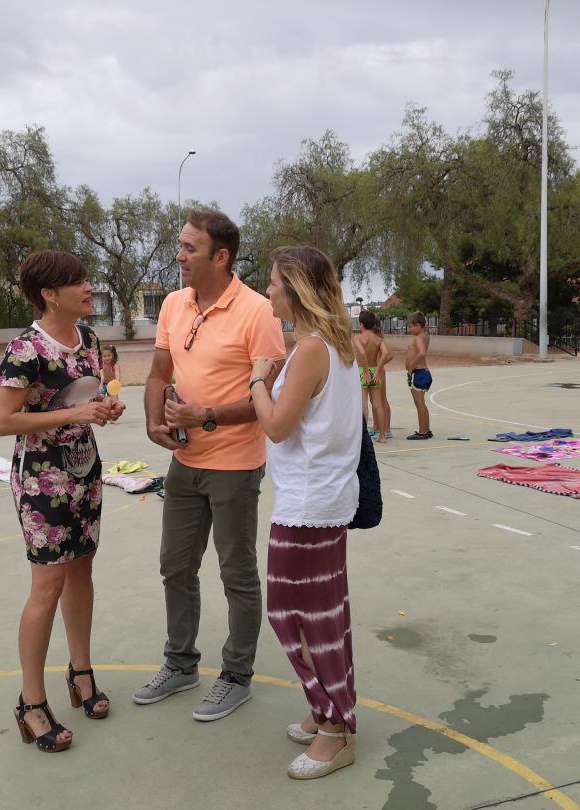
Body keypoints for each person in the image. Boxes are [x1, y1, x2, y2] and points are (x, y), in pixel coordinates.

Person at [137, 210, 286, 721]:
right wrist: (156, 421)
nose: (179, 256)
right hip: (185, 462)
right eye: (180, 245)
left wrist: (208, 416)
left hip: (236, 465)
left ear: (220, 258)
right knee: (175, 566)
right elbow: (159, 372)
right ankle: (180, 665)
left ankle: (237, 675)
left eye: (189, 248)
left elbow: (272, 396)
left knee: (236, 573)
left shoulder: (258, 311)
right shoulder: (174, 305)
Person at [0, 250, 124, 753]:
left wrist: (104, 409)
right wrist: (75, 415)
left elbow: (84, 399)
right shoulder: (25, 349)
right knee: (46, 584)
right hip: (42, 479)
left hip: (85, 470)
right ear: (49, 293)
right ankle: (30, 702)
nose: (88, 288)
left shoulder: (88, 339)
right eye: (78, 282)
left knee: (82, 573)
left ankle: (82, 672)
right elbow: (5, 421)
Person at [249, 245, 360, 779]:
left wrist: (257, 379)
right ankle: (326, 713)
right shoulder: (337, 345)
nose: (267, 290)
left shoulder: (312, 349)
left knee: (300, 618)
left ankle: (336, 730)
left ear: (294, 289)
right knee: (320, 615)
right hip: (324, 499)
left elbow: (275, 425)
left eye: (272, 282)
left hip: (307, 504)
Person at [352, 311, 392, 442]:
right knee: (377, 404)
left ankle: (363, 435)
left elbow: (362, 352)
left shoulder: (357, 338)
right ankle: (382, 435)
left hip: (362, 372)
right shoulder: (378, 339)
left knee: (363, 404)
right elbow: (386, 354)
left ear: (361, 324)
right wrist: (376, 371)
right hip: (375, 372)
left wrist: (364, 371)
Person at [405, 312, 433, 439]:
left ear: (417, 325)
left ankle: (423, 432)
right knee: (420, 403)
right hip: (422, 372)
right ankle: (426, 429)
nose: (409, 329)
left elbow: (421, 353)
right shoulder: (424, 335)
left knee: (419, 402)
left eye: (410, 326)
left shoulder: (419, 337)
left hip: (419, 372)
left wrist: (411, 367)